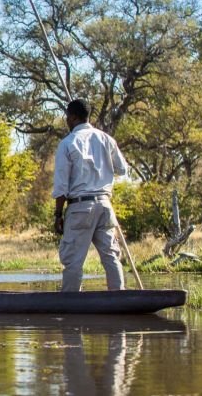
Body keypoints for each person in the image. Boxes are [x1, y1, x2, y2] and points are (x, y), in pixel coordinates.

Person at [52, 99, 129, 292]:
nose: (66, 120)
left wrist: (58, 214)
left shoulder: (67, 143)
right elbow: (122, 169)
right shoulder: (106, 139)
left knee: (73, 260)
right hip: (105, 206)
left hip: (80, 207)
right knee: (111, 256)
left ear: (74, 117)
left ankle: (69, 303)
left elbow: (61, 185)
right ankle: (118, 297)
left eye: (67, 117)